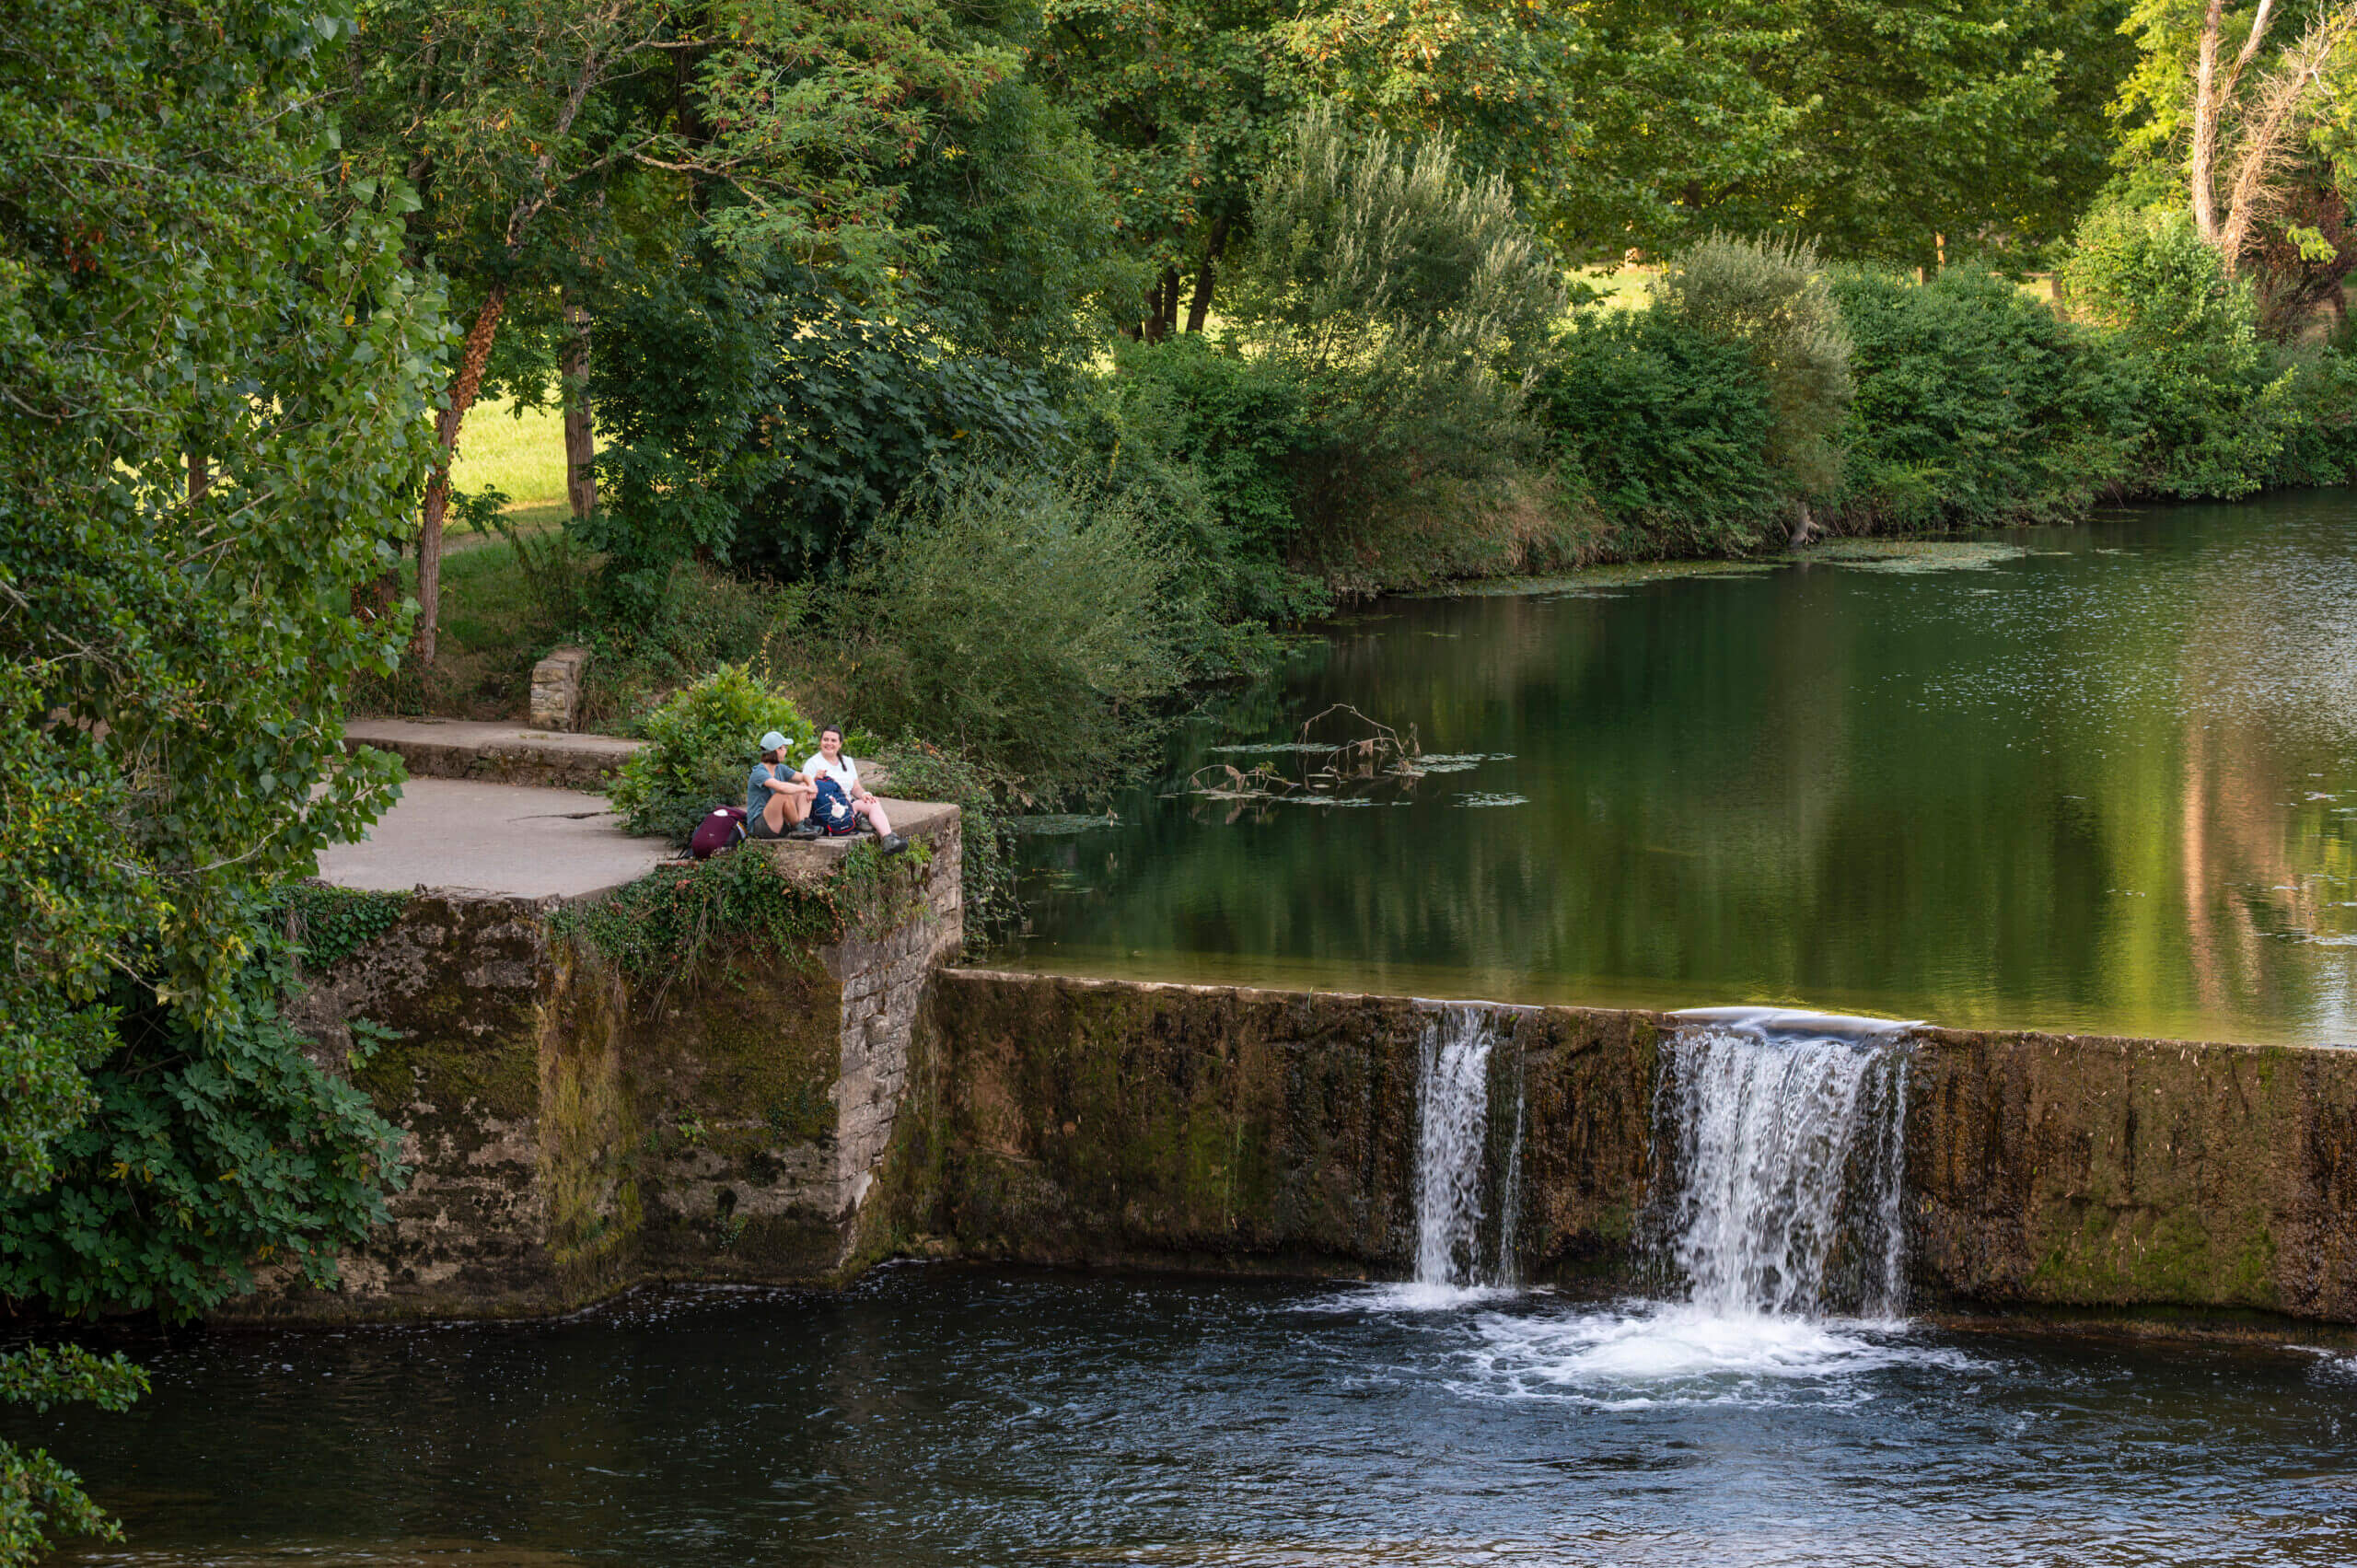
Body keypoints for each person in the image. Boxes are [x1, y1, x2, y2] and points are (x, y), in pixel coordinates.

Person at [802, 725, 908, 854]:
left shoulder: (847, 761)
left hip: (848, 804)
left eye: (833, 740)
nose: (829, 743)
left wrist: (864, 794)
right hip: (827, 810)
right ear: (820, 742)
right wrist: (814, 779)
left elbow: (855, 787)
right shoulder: (812, 763)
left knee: (872, 802)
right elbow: (805, 789)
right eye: (826, 739)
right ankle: (858, 820)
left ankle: (889, 839)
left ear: (840, 744)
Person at [746, 730, 820, 841]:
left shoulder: (780, 768)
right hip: (761, 826)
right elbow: (781, 787)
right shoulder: (759, 772)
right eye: (784, 748)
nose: (786, 751)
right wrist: (806, 788)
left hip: (779, 822)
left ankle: (803, 826)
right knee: (783, 793)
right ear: (777, 750)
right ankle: (798, 827)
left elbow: (805, 777)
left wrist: (811, 786)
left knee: (803, 786)